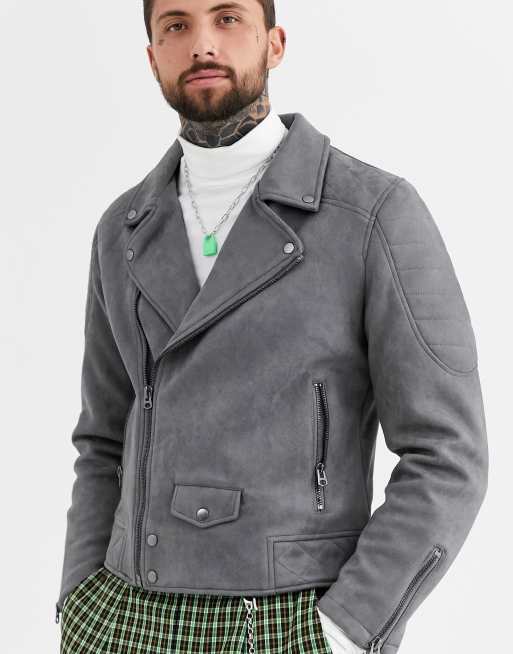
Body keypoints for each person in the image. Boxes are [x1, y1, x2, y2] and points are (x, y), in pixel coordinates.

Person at [56, 2, 488, 653]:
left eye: (227, 17)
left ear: (275, 44)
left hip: (287, 617)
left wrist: (344, 631)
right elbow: (102, 438)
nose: (202, 43)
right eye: (175, 25)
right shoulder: (123, 228)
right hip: (123, 614)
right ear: (152, 58)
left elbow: (448, 454)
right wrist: (79, 601)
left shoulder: (373, 214)